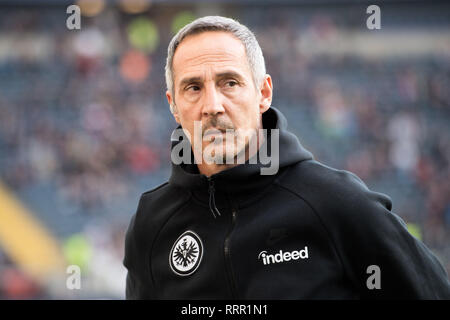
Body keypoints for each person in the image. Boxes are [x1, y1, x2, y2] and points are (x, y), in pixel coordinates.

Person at [123, 16, 450, 299]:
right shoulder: (151, 225)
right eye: (193, 87)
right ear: (173, 105)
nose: (212, 105)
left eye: (230, 82)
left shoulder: (338, 204)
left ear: (263, 93)